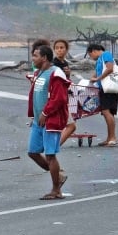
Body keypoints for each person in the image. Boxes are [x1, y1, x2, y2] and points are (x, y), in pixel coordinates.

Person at [27, 45, 70, 200]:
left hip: (51, 120)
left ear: (44, 57)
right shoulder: (39, 73)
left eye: (35, 56)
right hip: (39, 121)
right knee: (32, 152)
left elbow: (59, 98)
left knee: (50, 155)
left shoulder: (56, 73)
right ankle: (58, 176)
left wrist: (45, 113)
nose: (33, 59)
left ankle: (56, 190)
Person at [86, 43, 118, 146]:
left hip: (108, 88)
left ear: (94, 51)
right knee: (106, 113)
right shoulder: (100, 60)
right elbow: (97, 72)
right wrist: (91, 80)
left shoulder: (106, 55)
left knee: (107, 112)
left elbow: (110, 68)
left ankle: (113, 137)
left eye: (90, 55)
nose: (91, 58)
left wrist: (98, 79)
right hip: (103, 88)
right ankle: (109, 137)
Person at [51, 39, 78, 146]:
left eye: (61, 48)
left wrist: (68, 74)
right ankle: (54, 147)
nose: (59, 50)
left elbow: (66, 80)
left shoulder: (64, 63)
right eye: (57, 48)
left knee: (64, 125)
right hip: (58, 98)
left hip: (63, 97)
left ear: (66, 50)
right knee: (71, 126)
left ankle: (54, 146)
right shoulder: (54, 64)